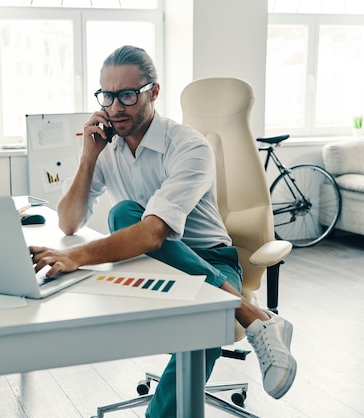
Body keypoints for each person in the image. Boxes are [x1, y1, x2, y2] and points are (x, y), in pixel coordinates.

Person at [29, 45, 297, 417]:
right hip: (149, 265)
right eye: (107, 95)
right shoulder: (106, 148)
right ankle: (250, 314)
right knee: (126, 214)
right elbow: (69, 222)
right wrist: (88, 158)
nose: (115, 107)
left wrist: (76, 256)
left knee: (197, 315)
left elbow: (154, 234)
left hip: (210, 260)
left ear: (154, 92)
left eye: (127, 95)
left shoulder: (189, 145)